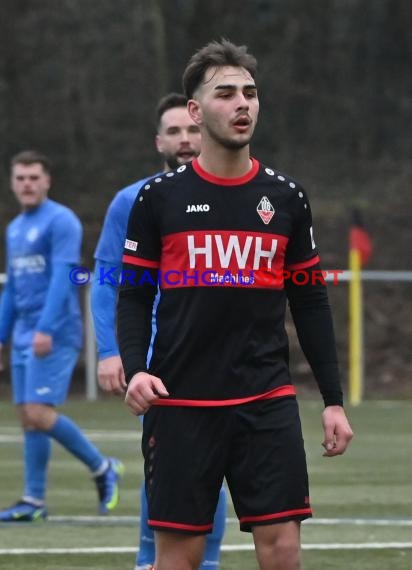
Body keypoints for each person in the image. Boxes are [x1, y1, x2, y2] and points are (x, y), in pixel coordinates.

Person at [117, 40, 354, 570]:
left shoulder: (286, 197)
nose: (243, 103)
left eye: (250, 92)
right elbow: (133, 294)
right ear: (197, 111)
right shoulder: (158, 198)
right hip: (180, 403)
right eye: (226, 93)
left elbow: (310, 301)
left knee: (284, 551)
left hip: (265, 399)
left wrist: (333, 399)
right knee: (178, 557)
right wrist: (135, 369)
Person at [91, 93, 227, 570]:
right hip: (153, 357)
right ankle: (150, 559)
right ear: (158, 142)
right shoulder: (131, 201)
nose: (185, 140)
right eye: (174, 132)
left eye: (190, 130)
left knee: (210, 463)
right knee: (165, 460)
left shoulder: (230, 194)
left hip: (213, 353)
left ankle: (204, 562)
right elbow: (107, 280)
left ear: (204, 128)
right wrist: (111, 351)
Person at [0, 150, 124, 522]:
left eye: (34, 177)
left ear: (47, 180)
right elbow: (12, 288)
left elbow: (61, 279)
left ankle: (103, 467)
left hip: (53, 333)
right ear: (12, 182)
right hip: (24, 334)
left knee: (39, 412)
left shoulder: (62, 221)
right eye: (20, 178)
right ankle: (33, 500)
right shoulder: (15, 228)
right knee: (28, 416)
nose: (27, 184)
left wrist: (45, 328)